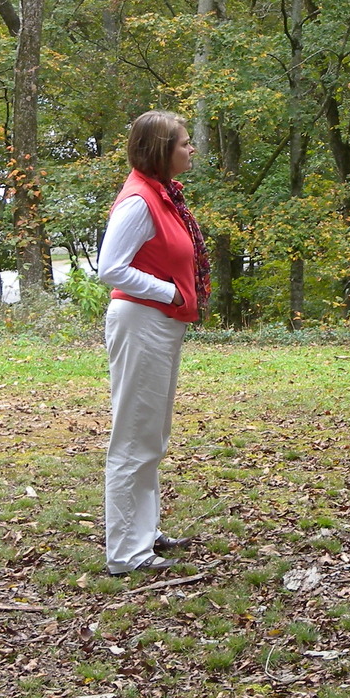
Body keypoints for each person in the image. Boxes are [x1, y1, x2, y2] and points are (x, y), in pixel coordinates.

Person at [95, 110, 210, 576]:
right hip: (141, 320)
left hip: (158, 324)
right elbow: (110, 268)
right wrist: (172, 292)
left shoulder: (164, 196)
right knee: (133, 438)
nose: (190, 149)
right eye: (184, 143)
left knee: (151, 436)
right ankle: (125, 553)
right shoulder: (140, 201)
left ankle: (143, 533)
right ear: (161, 150)